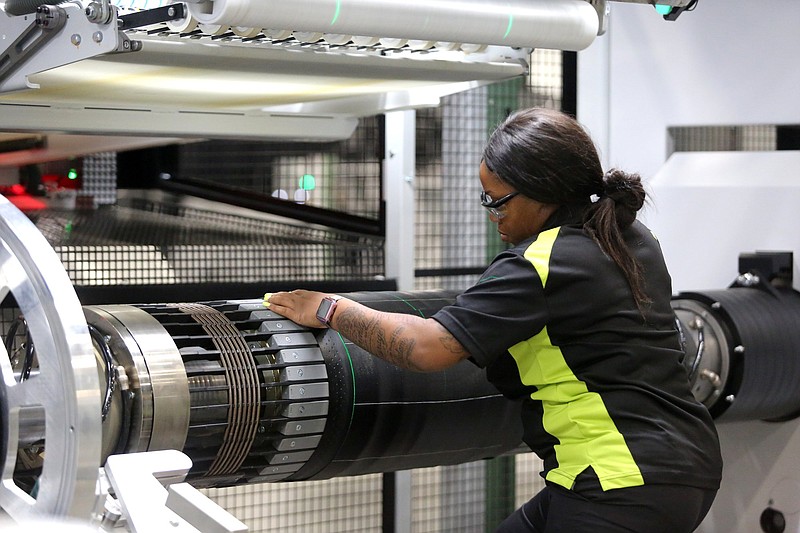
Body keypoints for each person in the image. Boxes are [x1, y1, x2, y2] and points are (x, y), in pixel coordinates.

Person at [265, 107, 722, 532]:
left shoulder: (540, 263)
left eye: (498, 201)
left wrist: (330, 308)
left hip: (620, 480)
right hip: (676, 465)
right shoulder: (630, 236)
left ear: (542, 191)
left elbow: (427, 348)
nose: (492, 215)